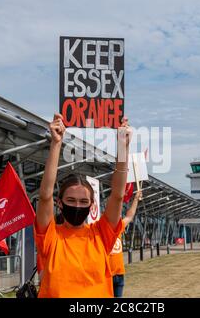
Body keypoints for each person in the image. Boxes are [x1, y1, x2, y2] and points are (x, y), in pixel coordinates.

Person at [34, 113, 132, 298]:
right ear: (59, 203)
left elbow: (118, 195)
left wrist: (122, 147)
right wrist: (56, 143)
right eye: (71, 200)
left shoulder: (101, 234)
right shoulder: (50, 236)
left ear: (91, 205)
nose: (77, 206)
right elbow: (45, 196)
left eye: (83, 201)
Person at [109, 190, 142, 297]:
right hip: (107, 276)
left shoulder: (118, 228)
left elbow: (129, 216)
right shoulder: (100, 231)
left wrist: (136, 199)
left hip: (119, 274)